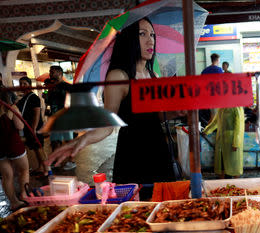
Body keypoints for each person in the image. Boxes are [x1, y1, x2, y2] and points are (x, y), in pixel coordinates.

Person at [47, 17, 182, 185]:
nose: (151, 40)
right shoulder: (119, 76)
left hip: (158, 151)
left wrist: (174, 112)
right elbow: (108, 125)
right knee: (137, 208)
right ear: (129, 40)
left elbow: (153, 118)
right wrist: (81, 140)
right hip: (133, 156)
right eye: (142, 34)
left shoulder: (153, 75)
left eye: (153, 35)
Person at [0, 91, 29, 211]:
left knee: (7, 176)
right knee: (24, 170)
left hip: (0, 147)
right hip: (13, 144)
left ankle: (14, 202)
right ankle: (23, 194)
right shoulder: (11, 108)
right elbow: (20, 126)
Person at [46, 65, 76, 170]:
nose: (50, 74)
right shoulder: (51, 87)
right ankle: (56, 161)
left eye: (52, 72)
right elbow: (49, 102)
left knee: (68, 141)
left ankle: (72, 161)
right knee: (55, 141)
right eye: (50, 72)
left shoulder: (67, 86)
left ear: (60, 73)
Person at [16, 76, 47, 176]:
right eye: (21, 83)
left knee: (39, 147)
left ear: (30, 85)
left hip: (34, 127)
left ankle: (46, 170)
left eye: (25, 83)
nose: (22, 86)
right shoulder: (24, 97)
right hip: (28, 127)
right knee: (35, 148)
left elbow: (37, 113)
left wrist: (33, 128)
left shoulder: (33, 97)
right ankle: (41, 167)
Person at [203, 106, 244, 179]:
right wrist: (206, 131)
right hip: (221, 140)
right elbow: (215, 122)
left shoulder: (237, 107)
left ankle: (236, 185)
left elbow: (239, 127)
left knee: (234, 165)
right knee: (221, 164)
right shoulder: (221, 108)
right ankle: (222, 186)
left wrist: (236, 142)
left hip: (232, 141)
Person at [200, 53, 224, 127]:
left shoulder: (204, 71)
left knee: (213, 115)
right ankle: (208, 131)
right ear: (217, 60)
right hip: (217, 95)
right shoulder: (219, 70)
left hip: (207, 95)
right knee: (216, 116)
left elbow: (201, 83)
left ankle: (207, 130)